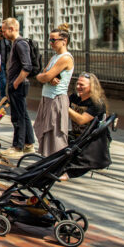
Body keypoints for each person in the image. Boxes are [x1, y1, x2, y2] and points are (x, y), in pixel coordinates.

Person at [33, 24, 75, 157]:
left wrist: (46, 77)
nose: (51, 43)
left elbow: (45, 75)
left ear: (64, 41)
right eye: (49, 40)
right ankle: (47, 160)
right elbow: (43, 75)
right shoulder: (54, 57)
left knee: (56, 132)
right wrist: (45, 77)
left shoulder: (65, 58)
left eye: (53, 40)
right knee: (45, 131)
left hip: (56, 98)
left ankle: (60, 166)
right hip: (47, 97)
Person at [1, 17, 36, 158]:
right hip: (17, 84)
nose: (3, 33)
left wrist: (16, 82)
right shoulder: (16, 43)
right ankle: (28, 143)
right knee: (23, 114)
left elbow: (27, 66)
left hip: (18, 85)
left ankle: (18, 146)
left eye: (4, 30)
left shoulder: (20, 44)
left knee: (18, 116)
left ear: (11, 29)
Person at [66, 72, 111, 178]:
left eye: (82, 85)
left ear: (91, 87)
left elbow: (81, 120)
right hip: (77, 135)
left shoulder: (96, 103)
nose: (78, 87)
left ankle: (67, 173)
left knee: (76, 162)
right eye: (77, 84)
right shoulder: (74, 97)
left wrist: (65, 107)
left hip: (93, 140)